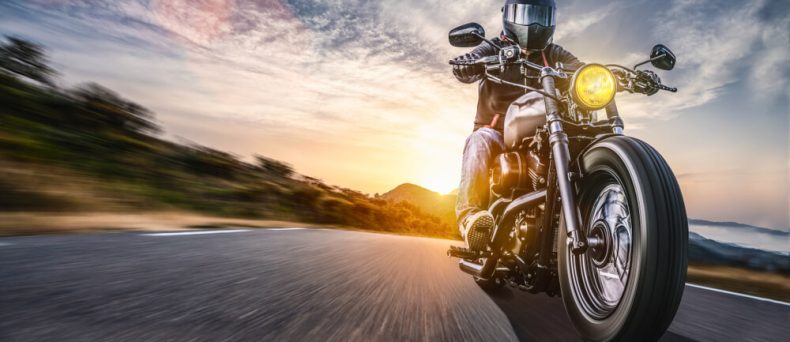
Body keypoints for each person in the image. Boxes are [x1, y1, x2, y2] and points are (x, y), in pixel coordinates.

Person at [452, 0, 583, 251]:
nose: (533, 23)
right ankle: (470, 220)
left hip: (543, 136)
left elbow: (581, 69)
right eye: (526, 13)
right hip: (498, 134)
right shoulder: (494, 47)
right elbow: (464, 66)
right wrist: (470, 62)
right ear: (509, 16)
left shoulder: (555, 54)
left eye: (540, 16)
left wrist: (607, 76)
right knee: (478, 141)